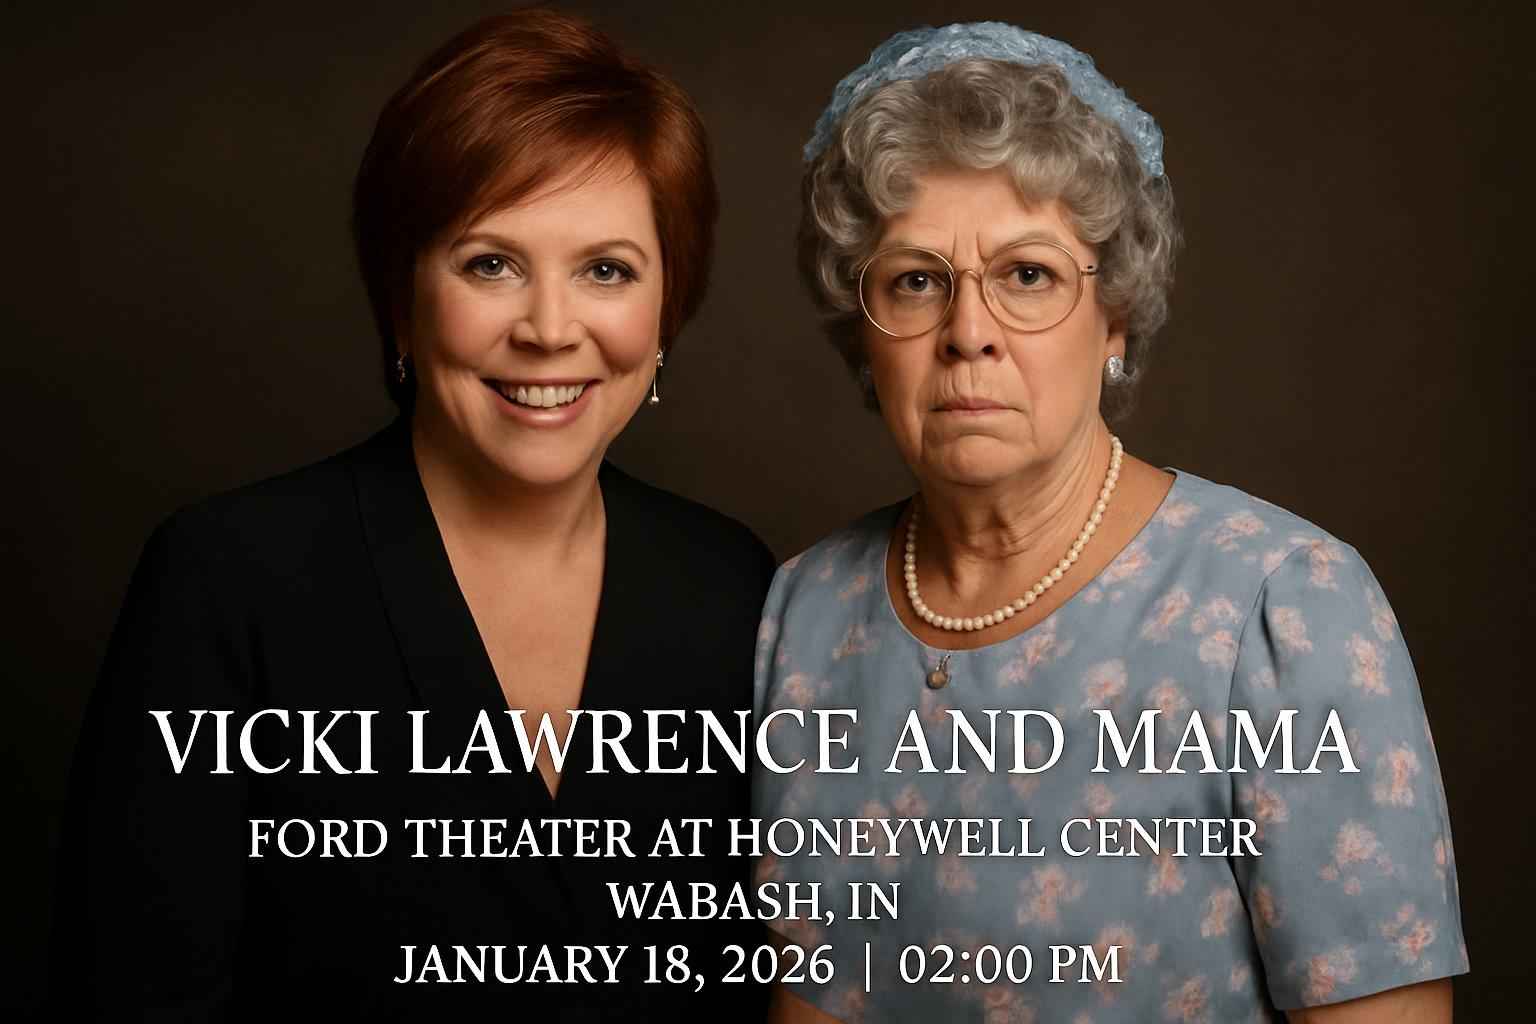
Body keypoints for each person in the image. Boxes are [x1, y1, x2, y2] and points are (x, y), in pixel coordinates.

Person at [49, 10, 772, 1019]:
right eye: (490, 263)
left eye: (606, 269)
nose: (551, 328)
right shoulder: (230, 578)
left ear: (665, 312)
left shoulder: (736, 586)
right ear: (402, 296)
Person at [754, 22, 1466, 1023]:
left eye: (1028, 276)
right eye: (916, 279)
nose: (968, 333)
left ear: (1116, 317)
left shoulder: (1284, 605)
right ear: (863, 329)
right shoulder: (805, 606)